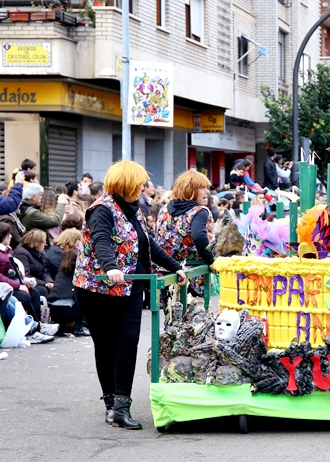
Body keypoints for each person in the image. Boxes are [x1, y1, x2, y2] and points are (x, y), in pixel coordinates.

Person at [73, 160, 186, 430]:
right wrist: (110, 267)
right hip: (96, 289)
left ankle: (122, 407)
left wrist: (175, 267)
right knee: (107, 345)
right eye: (138, 184)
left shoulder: (132, 210)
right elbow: (101, 240)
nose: (143, 188)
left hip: (131, 287)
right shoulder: (102, 209)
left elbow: (148, 246)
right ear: (126, 185)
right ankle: (111, 406)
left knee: (127, 343)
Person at [155, 170, 216, 295]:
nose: (207, 191)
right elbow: (199, 237)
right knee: (196, 313)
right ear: (191, 189)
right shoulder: (199, 211)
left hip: (167, 272)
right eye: (202, 188)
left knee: (172, 313)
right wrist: (211, 261)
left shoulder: (163, 209)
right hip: (193, 273)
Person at [0, 222, 57, 343]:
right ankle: (33, 328)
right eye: (8, 234)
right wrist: (18, 285)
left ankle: (37, 327)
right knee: (22, 297)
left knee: (35, 293)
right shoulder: (18, 252)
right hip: (6, 285)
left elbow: (17, 271)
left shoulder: (8, 251)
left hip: (9, 283)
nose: (11, 237)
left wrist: (25, 281)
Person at [46, 228, 89, 336]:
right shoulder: (77, 274)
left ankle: (61, 330)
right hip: (66, 308)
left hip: (52, 305)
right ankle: (78, 328)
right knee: (85, 301)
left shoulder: (62, 271)